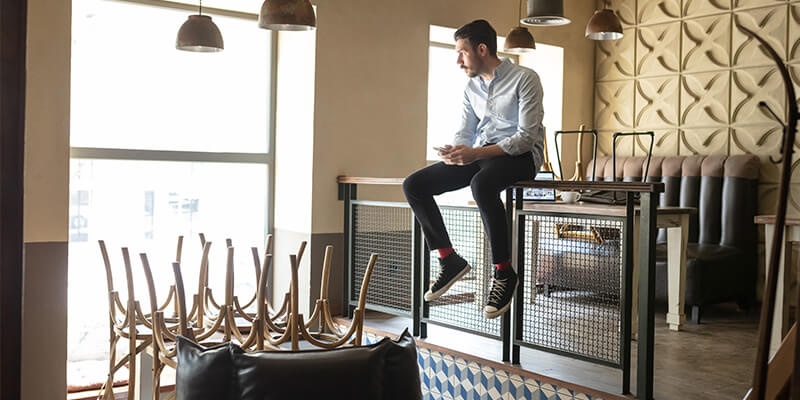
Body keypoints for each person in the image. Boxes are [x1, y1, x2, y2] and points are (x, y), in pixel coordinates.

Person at [402, 19, 544, 319]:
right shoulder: (471, 88)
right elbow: (466, 133)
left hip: (521, 157)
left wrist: (475, 153)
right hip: (483, 155)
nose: (458, 60)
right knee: (414, 185)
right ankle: (449, 259)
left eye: (462, 52)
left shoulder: (525, 78)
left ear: (482, 49)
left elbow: (525, 138)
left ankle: (504, 273)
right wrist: (455, 152)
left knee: (482, 184)